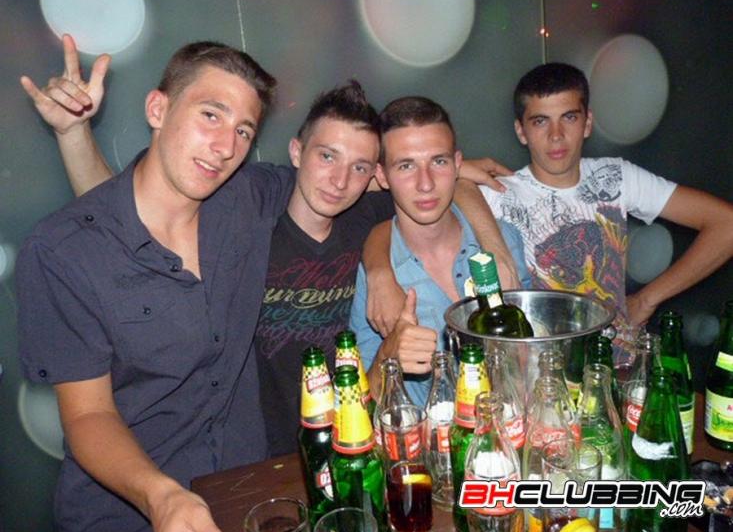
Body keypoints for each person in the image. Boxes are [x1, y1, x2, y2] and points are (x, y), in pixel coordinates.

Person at [21, 37, 524, 461]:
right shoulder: (245, 206)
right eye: (326, 156)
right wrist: (73, 133)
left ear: (373, 175)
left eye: (358, 167)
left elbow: (433, 184)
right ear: (297, 153)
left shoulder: (363, 210)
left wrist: (410, 255)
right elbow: (131, 213)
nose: (339, 179)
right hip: (253, 451)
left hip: (339, 442)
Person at [17, 36, 291, 532]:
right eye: (211, 115)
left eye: (243, 130)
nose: (226, 146)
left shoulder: (247, 199)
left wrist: (443, 181)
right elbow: (88, 415)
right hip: (128, 516)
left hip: (244, 496)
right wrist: (160, 495)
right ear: (158, 109)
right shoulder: (62, 250)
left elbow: (340, 175)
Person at [476, 62, 733, 330]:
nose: (556, 135)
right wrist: (461, 175)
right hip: (542, 355)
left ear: (587, 123)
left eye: (569, 117)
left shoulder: (615, 176)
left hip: (618, 352)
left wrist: (647, 299)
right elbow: (446, 195)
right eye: (541, 121)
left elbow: (726, 224)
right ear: (521, 131)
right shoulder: (498, 193)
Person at [348, 96, 500, 405]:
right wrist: (389, 354)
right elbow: (359, 404)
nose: (426, 183)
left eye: (438, 162)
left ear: (458, 164)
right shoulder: (374, 274)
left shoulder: (503, 241)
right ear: (382, 176)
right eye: (406, 166)